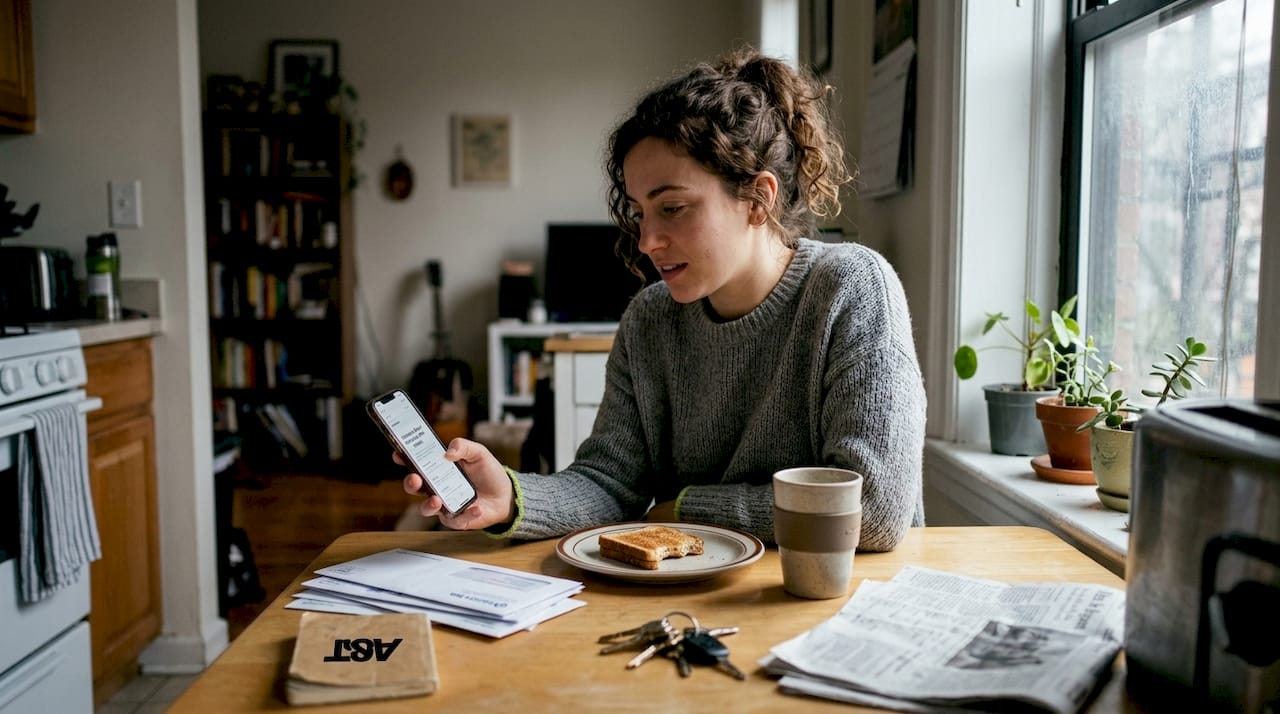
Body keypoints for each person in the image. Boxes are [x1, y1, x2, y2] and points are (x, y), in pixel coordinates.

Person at [400, 46, 927, 551]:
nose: (647, 240)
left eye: (672, 208)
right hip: (695, 601)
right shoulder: (649, 319)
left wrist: (685, 509)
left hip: (840, 606)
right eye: (638, 212)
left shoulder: (853, 290)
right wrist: (510, 496)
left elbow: (873, 509)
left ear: (758, 199)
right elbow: (609, 484)